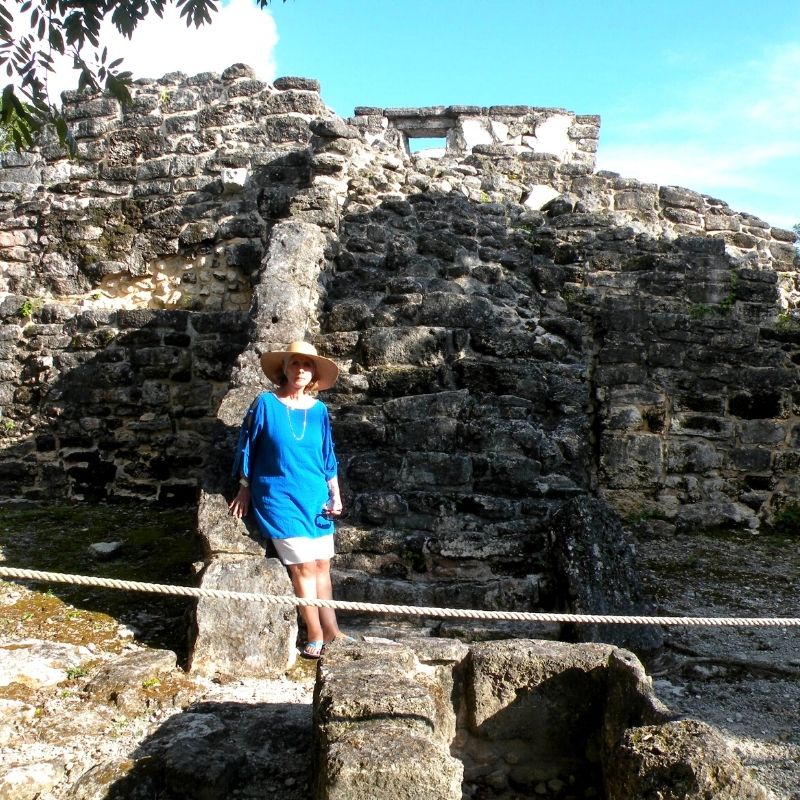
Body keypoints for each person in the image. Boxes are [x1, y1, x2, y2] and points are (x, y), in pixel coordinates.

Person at [228, 340, 348, 659]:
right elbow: (248, 446)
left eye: (307, 365)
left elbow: (327, 456)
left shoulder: (319, 410)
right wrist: (244, 486)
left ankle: (333, 630)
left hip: (315, 495)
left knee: (322, 564)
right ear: (284, 369)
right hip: (278, 496)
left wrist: (335, 494)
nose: (301, 370)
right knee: (304, 567)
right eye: (295, 363)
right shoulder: (266, 404)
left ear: (314, 374)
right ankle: (315, 632)